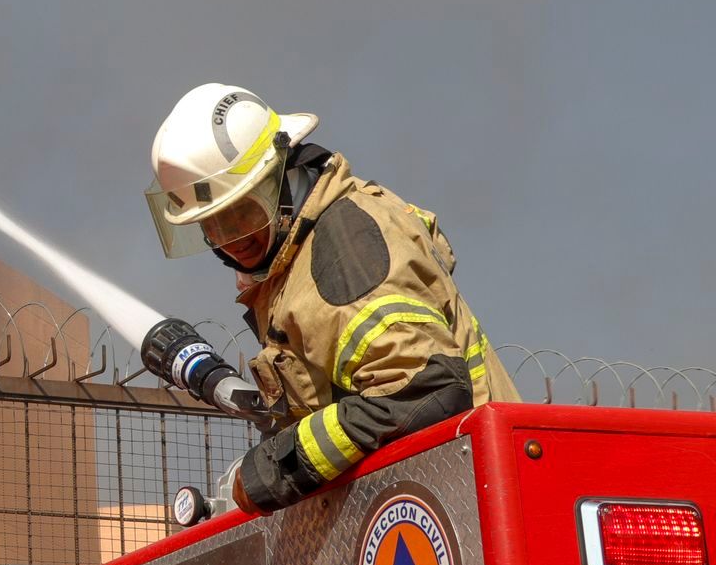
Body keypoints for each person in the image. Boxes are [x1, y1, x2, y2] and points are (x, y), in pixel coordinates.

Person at [146, 83, 518, 514]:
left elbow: (422, 391)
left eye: (242, 214)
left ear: (281, 177)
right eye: (213, 226)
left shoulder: (345, 249)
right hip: (436, 503)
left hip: (472, 501)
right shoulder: (300, 252)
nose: (232, 242)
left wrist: (270, 470)